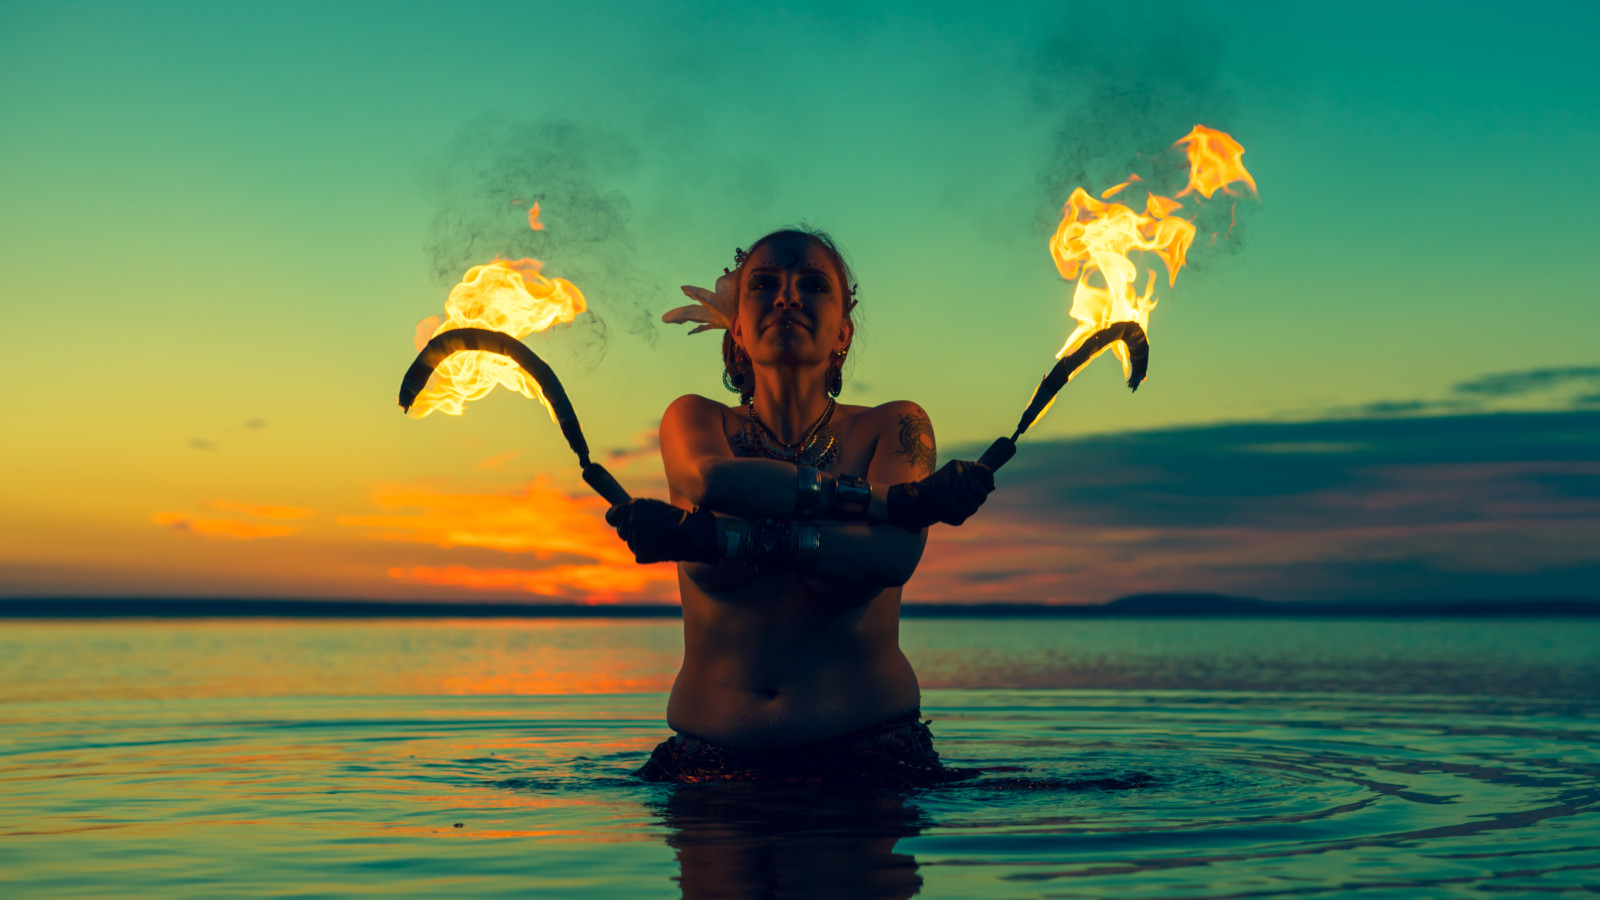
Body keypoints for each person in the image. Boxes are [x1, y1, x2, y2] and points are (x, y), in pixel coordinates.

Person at [606, 228, 997, 786]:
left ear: (843, 332)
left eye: (812, 284)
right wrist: (885, 501)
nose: (787, 296)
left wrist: (717, 539)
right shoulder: (695, 420)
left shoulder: (895, 424)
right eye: (764, 284)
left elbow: (889, 559)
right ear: (737, 328)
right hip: (705, 769)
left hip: (873, 763)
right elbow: (713, 480)